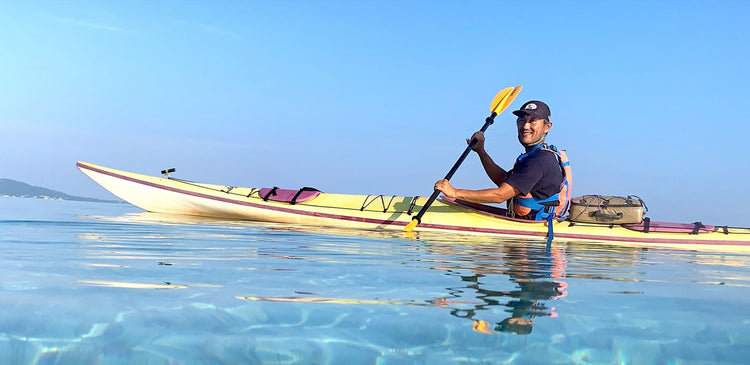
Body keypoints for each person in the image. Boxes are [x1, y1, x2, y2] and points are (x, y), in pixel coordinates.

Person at [434, 100, 571, 220]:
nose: (525, 126)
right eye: (522, 120)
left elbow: (500, 195)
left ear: (547, 127)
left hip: (531, 242)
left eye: (532, 121)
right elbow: (504, 180)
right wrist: (481, 151)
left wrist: (455, 193)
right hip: (524, 228)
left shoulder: (540, 160)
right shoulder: (534, 155)